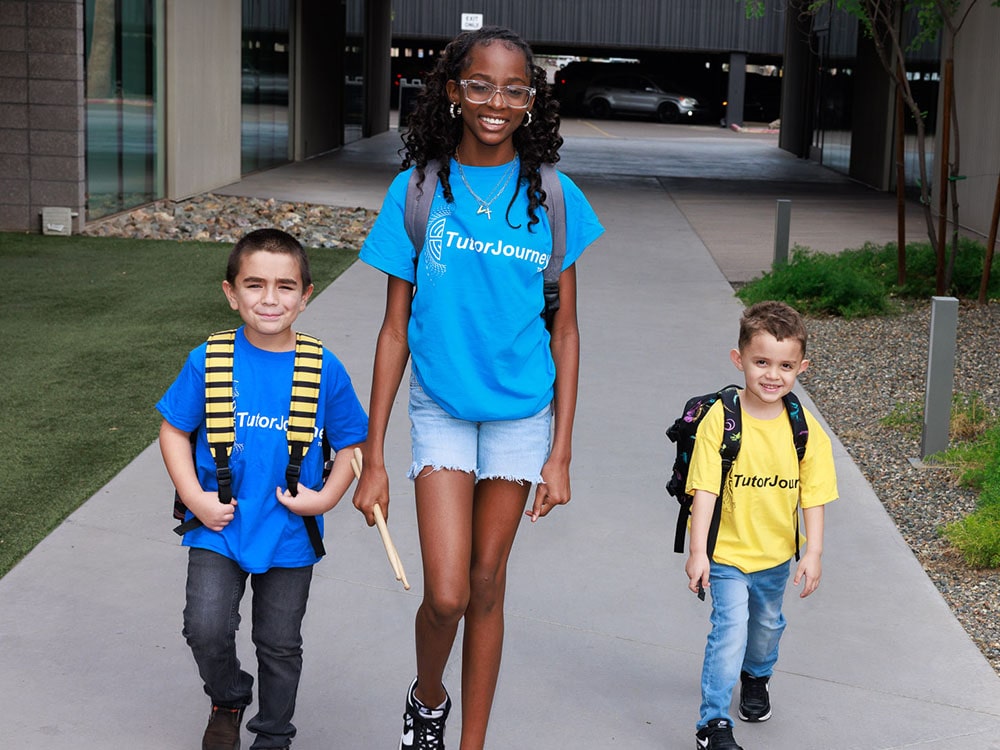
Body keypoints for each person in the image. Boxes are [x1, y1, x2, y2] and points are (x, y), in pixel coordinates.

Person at [352, 25, 604, 750]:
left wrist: (560, 453)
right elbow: (394, 330)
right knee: (448, 594)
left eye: (515, 88)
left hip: (523, 413)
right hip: (442, 407)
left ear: (533, 99)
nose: (498, 101)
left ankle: (472, 743)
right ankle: (428, 699)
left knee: (488, 581)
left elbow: (568, 332)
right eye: (482, 85)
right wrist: (374, 458)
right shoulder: (420, 190)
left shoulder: (554, 196)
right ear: (455, 92)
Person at [157, 228, 368, 750]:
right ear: (231, 293)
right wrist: (196, 498)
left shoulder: (324, 366)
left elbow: (351, 445)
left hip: (289, 532)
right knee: (204, 627)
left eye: (285, 286)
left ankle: (273, 734)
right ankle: (228, 695)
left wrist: (326, 498)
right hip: (218, 525)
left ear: (306, 295)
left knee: (278, 643)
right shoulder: (208, 359)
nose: (270, 299)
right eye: (254, 285)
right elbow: (174, 429)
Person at [684, 301, 838, 750]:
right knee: (728, 631)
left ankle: (756, 677)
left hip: (774, 557)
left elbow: (814, 495)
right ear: (740, 360)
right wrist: (698, 553)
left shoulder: (803, 429)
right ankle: (712, 724)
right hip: (728, 555)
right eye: (762, 362)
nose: (773, 375)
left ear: (801, 368)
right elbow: (705, 493)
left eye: (786, 365)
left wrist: (813, 552)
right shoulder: (723, 422)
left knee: (768, 626)